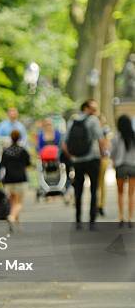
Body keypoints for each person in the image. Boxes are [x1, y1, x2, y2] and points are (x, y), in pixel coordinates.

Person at [62, 99, 106, 230]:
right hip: (93, 158)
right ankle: (92, 221)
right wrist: (103, 154)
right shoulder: (93, 120)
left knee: (78, 190)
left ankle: (78, 220)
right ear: (86, 108)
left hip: (78, 160)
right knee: (93, 189)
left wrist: (72, 156)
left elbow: (64, 143)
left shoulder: (72, 121)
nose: (94, 110)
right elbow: (101, 139)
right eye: (93, 107)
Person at [0, 130, 31, 226]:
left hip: (9, 179)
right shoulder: (23, 151)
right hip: (21, 178)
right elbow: (28, 163)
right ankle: (12, 217)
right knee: (19, 202)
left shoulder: (6, 151)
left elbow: (1, 165)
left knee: (13, 201)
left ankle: (16, 223)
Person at [111, 115, 135, 228]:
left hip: (120, 167)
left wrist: (113, 163)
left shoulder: (116, 137)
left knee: (120, 193)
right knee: (131, 194)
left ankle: (121, 217)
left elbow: (112, 154)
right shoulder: (134, 136)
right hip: (133, 167)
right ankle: (130, 218)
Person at [96, 115, 111, 217]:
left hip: (100, 158)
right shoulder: (104, 131)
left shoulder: (103, 130)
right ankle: (99, 205)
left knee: (99, 183)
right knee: (100, 183)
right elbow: (107, 145)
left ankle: (99, 205)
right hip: (101, 158)